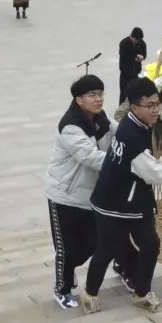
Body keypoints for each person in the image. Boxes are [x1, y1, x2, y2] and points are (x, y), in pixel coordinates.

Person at [81, 77, 162, 315]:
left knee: (150, 244)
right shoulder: (133, 136)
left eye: (157, 104)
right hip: (114, 203)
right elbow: (151, 172)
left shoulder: (133, 123)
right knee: (106, 250)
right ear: (134, 107)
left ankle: (142, 292)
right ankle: (89, 293)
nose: (156, 110)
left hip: (135, 201)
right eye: (150, 105)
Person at [45, 75, 118, 309]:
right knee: (66, 249)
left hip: (91, 195)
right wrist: (125, 161)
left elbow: (121, 134)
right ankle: (62, 289)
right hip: (65, 196)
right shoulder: (70, 127)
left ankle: (120, 267)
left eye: (100, 93)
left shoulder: (102, 120)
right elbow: (91, 157)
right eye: (92, 95)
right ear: (78, 100)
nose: (98, 99)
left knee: (95, 242)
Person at [117, 28, 147, 105]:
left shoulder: (142, 43)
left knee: (135, 92)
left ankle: (133, 106)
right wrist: (134, 58)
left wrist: (142, 57)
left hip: (136, 72)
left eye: (139, 40)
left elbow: (144, 54)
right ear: (132, 36)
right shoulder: (124, 43)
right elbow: (123, 55)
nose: (137, 41)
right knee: (124, 93)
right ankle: (122, 107)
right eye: (136, 40)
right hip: (125, 72)